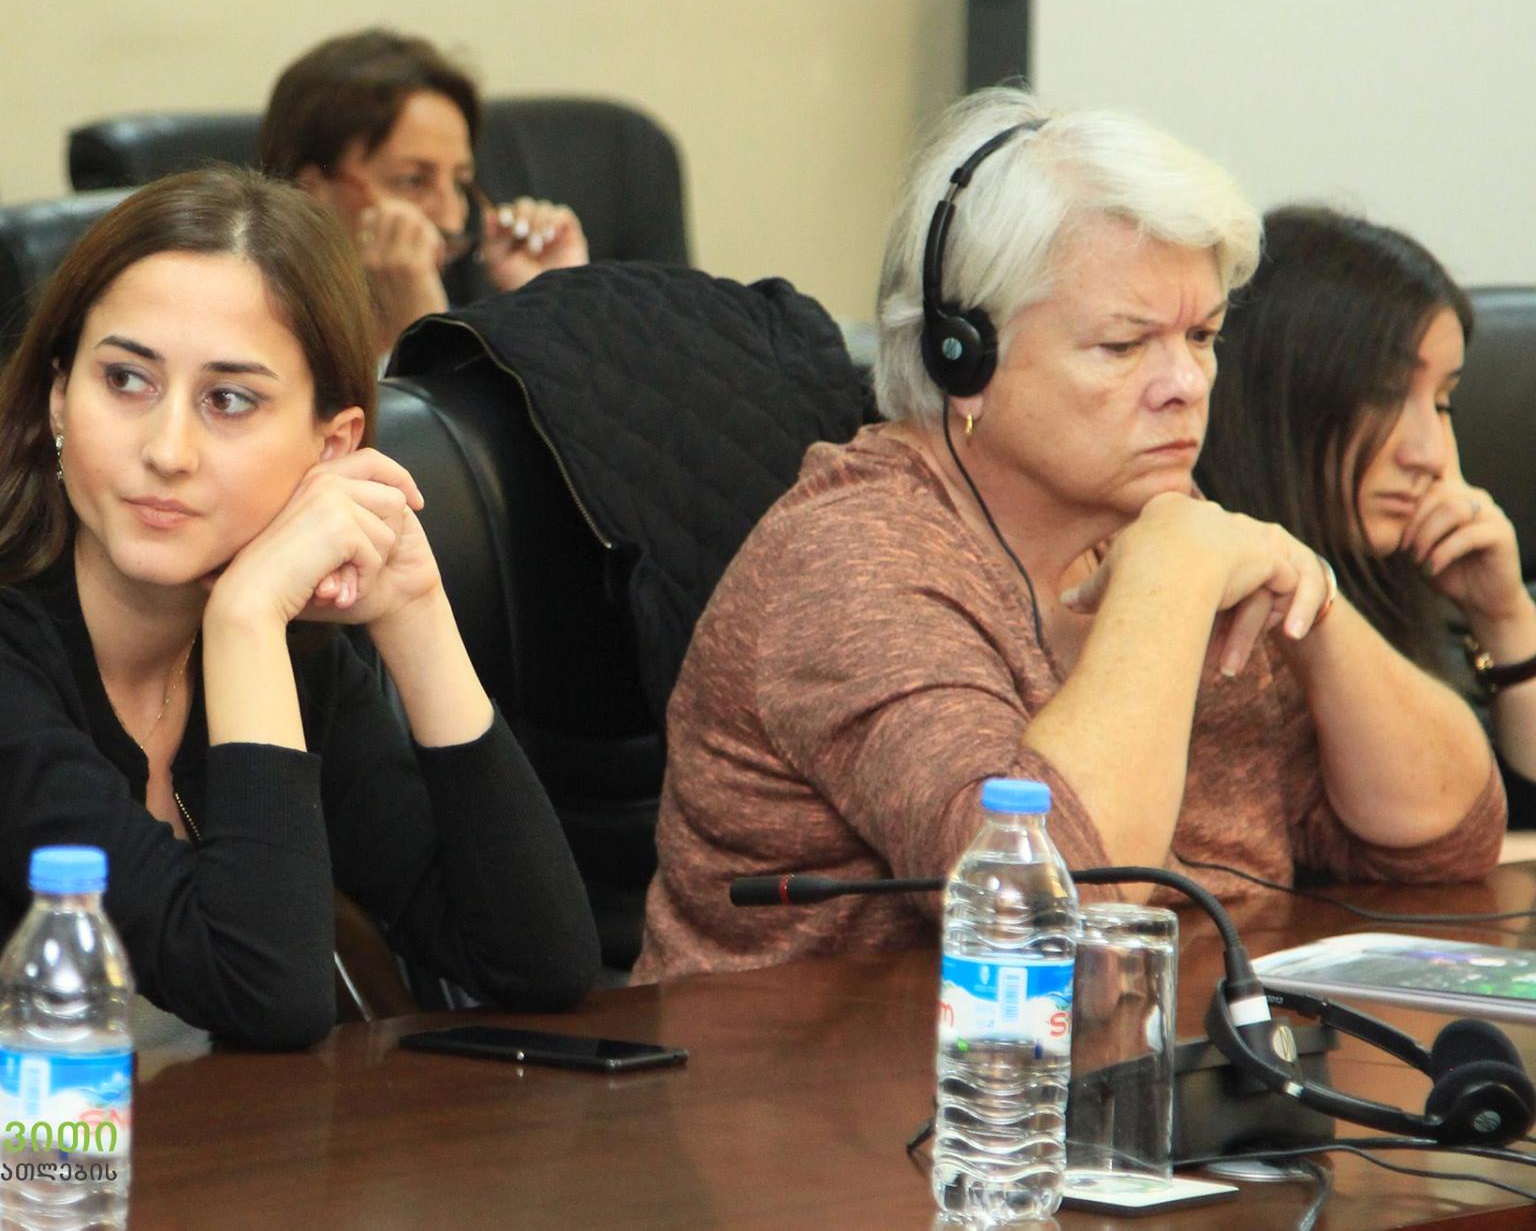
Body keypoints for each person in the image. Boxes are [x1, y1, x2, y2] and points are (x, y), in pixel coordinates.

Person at [0, 167, 598, 1063]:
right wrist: (245, 620)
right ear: (58, 401)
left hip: (100, 1143)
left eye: (229, 399)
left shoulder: (294, 664)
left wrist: (414, 605)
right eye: (126, 379)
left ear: (331, 448)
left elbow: (540, 959)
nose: (167, 450)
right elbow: (265, 992)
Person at [633, 89, 1504, 983]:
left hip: (1156, 1042)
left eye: (1202, 335)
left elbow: (1448, 840)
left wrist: (1313, 615)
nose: (1186, 383)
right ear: (963, 359)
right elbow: (1040, 902)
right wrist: (1167, 584)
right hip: (838, 1065)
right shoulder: (853, 559)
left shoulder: (1168, 522)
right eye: (1125, 346)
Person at [1202, 206, 1536, 831]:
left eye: (1443, 403)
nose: (1429, 454)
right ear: (1282, 396)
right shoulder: (1209, 588)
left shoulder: (1397, 580)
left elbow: (1490, 822)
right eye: (1385, 394)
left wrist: (1506, 618)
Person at [258, 28, 588, 353]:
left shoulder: (471, 332)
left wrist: (551, 305)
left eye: (459, 183)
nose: (451, 219)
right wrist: (420, 333)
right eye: (413, 181)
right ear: (310, 192)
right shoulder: (257, 341)